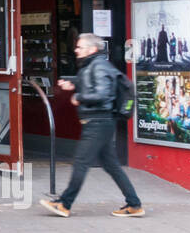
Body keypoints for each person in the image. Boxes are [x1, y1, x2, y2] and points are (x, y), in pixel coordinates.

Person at [40, 32, 144, 218]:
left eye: (80, 47)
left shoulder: (99, 66)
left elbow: (103, 94)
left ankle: (64, 204)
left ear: (92, 49)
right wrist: (73, 84)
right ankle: (134, 204)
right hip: (100, 122)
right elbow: (90, 84)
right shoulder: (92, 65)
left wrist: (79, 97)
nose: (76, 50)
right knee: (112, 165)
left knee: (81, 162)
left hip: (98, 122)